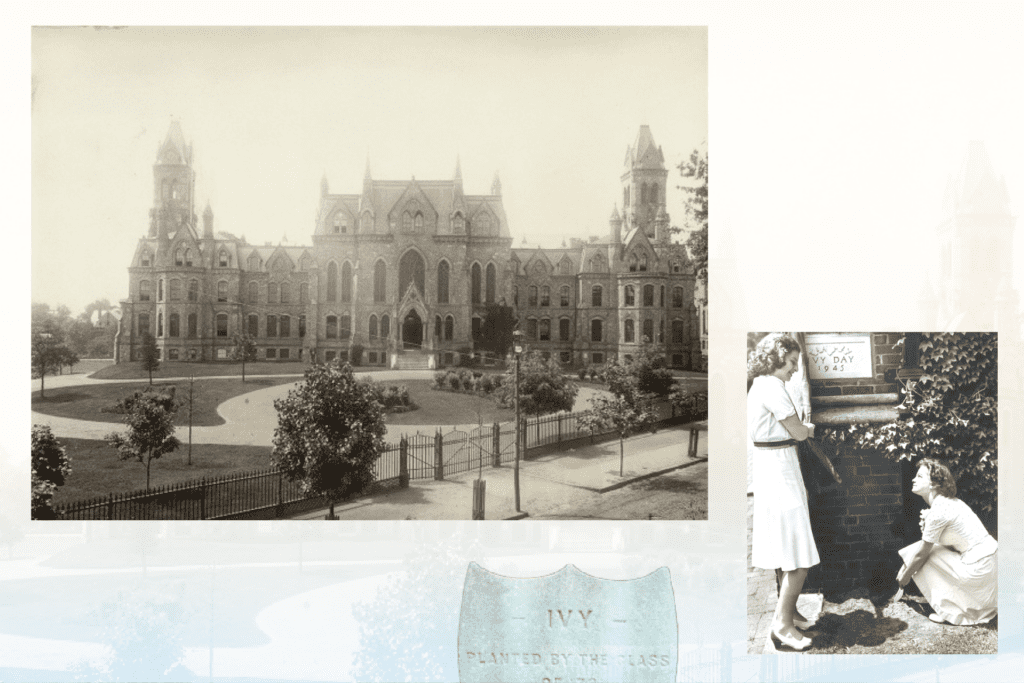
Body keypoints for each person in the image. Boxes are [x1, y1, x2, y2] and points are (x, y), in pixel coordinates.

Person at [748, 333, 819, 651]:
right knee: (797, 552)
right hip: (779, 470)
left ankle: (788, 610)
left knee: (784, 547)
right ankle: (781, 625)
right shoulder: (773, 388)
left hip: (773, 466)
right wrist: (808, 429)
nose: (794, 370)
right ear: (777, 359)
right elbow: (799, 433)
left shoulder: (760, 384)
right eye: (791, 363)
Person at [897, 459, 997, 625]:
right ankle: (949, 602)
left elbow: (922, 554)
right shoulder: (950, 503)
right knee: (928, 550)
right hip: (990, 566)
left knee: (925, 556)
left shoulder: (939, 510)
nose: (913, 479)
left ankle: (949, 611)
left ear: (934, 485)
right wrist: (908, 564)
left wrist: (905, 577)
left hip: (980, 570)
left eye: (920, 476)